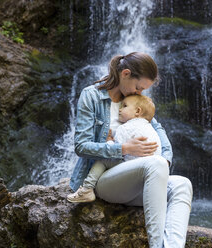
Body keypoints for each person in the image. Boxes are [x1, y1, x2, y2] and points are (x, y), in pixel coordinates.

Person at [69, 52, 193, 248]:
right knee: (156, 164)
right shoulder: (91, 96)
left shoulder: (137, 102)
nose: (140, 92)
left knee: (182, 185)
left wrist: (164, 163)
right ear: (125, 73)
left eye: (143, 89)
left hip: (138, 180)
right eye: (138, 87)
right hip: (104, 179)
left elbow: (161, 137)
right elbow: (81, 146)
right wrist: (124, 148)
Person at [67, 94, 162, 203]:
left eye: (124, 106)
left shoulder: (126, 127)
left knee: (102, 160)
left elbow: (114, 150)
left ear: (137, 111)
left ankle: (86, 189)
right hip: (148, 175)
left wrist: (108, 140)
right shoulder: (151, 130)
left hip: (130, 167)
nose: (120, 109)